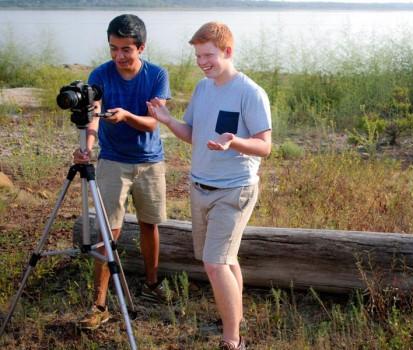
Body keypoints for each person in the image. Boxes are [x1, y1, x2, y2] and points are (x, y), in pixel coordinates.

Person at [147, 22, 271, 350]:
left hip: (234, 190)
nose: (203, 61)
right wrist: (168, 120)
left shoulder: (250, 92)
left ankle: (233, 340)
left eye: (209, 55)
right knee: (225, 260)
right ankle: (237, 318)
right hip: (200, 186)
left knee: (215, 264)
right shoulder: (203, 89)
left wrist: (236, 143)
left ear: (227, 52)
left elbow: (265, 146)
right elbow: (193, 134)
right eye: (198, 55)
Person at [74, 14, 171, 330]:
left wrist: (128, 116)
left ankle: (152, 283)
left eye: (125, 49)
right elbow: (93, 114)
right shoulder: (100, 74)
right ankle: (99, 303)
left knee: (149, 225)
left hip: (150, 161)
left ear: (141, 47)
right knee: (108, 229)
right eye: (113, 48)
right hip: (113, 161)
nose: (118, 56)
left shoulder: (157, 75)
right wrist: (87, 144)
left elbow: (154, 123)